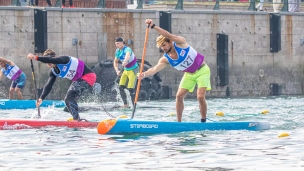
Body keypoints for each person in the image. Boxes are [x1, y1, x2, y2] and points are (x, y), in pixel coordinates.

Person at [138, 19, 211, 122]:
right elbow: (154, 69)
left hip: (202, 70)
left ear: (170, 42)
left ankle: (203, 120)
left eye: (164, 45)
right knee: (179, 96)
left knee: (199, 96)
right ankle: (179, 122)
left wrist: (153, 26)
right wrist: (144, 74)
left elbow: (168, 35)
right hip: (189, 74)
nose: (162, 48)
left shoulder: (181, 43)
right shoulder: (165, 59)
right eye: (160, 46)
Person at [26, 49, 96, 121]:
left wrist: (36, 57)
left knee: (69, 97)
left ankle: (76, 120)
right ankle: (77, 119)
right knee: (67, 100)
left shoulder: (64, 60)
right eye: (47, 62)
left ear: (54, 58)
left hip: (89, 76)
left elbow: (51, 59)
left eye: (49, 61)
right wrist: (41, 98)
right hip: (79, 80)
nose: (48, 63)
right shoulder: (53, 72)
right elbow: (49, 85)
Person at [113, 37, 138, 108]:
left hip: (133, 70)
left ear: (122, 43)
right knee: (120, 87)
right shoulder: (117, 51)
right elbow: (115, 62)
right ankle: (126, 105)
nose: (116, 45)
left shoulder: (127, 49)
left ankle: (134, 106)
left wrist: (125, 61)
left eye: (118, 43)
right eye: (115, 44)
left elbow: (127, 56)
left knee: (130, 89)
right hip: (126, 70)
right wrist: (117, 70)